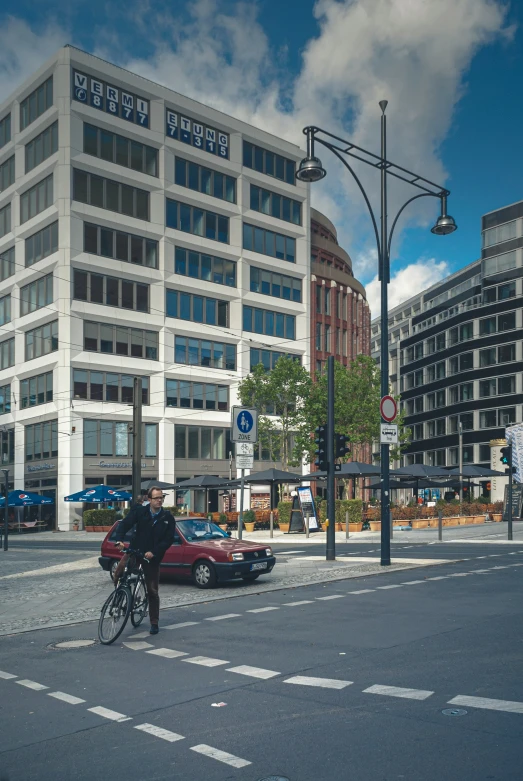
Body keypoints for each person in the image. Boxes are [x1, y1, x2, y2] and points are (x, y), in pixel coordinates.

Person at [113, 486, 175, 635]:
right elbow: (125, 524)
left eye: (161, 498)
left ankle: (154, 622)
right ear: (149, 499)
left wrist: (154, 552)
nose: (160, 500)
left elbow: (168, 540)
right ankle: (118, 600)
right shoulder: (140, 512)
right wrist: (119, 540)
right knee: (118, 573)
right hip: (135, 550)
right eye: (156, 498)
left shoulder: (167, 518)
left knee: (152, 591)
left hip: (152, 557)